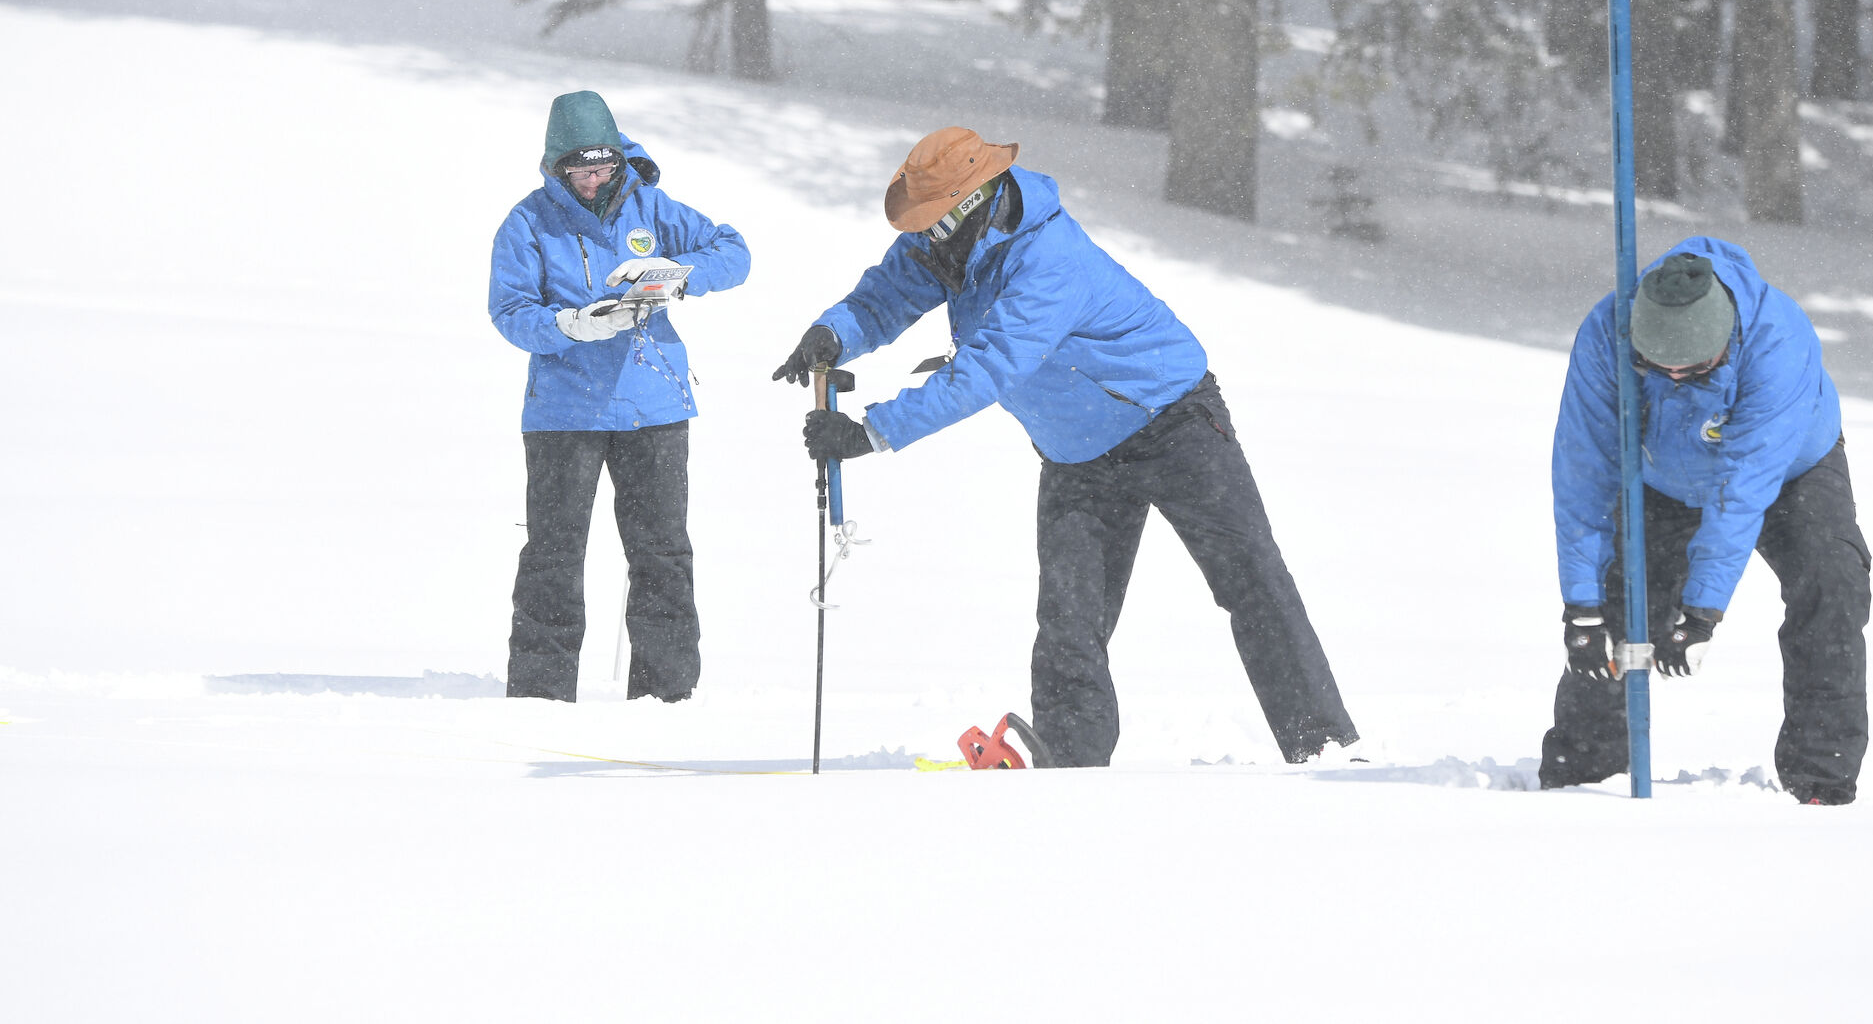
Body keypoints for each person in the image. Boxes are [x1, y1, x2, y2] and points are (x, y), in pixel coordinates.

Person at [771, 127, 1356, 767]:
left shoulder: (1049, 258)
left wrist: (871, 432)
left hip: (1175, 424)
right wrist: (832, 335)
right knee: (1069, 623)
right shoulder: (944, 242)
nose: (923, 237)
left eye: (932, 222)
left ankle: (1322, 748)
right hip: (1077, 451)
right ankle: (1071, 766)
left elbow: (988, 369)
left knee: (1251, 583)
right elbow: (885, 296)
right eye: (918, 225)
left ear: (976, 200)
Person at [1543, 237, 1870, 803]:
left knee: (1832, 580)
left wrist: (1701, 614)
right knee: (1618, 609)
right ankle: (1581, 772)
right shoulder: (1606, 332)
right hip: (1661, 477)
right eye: (1654, 367)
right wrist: (1581, 607)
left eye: (1691, 370)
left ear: (1725, 343)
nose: (1672, 379)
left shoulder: (1777, 340)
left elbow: (1742, 491)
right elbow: (1584, 472)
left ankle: (1821, 776)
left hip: (1790, 469)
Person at [489, 90, 749, 703]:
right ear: (556, 166)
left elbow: (733, 252)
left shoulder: (650, 208)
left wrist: (676, 277)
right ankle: (539, 695)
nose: (593, 179)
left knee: (661, 551)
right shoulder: (527, 222)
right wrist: (569, 326)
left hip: (652, 406)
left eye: (603, 167)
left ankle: (666, 696)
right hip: (562, 413)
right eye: (580, 169)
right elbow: (509, 310)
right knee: (553, 554)